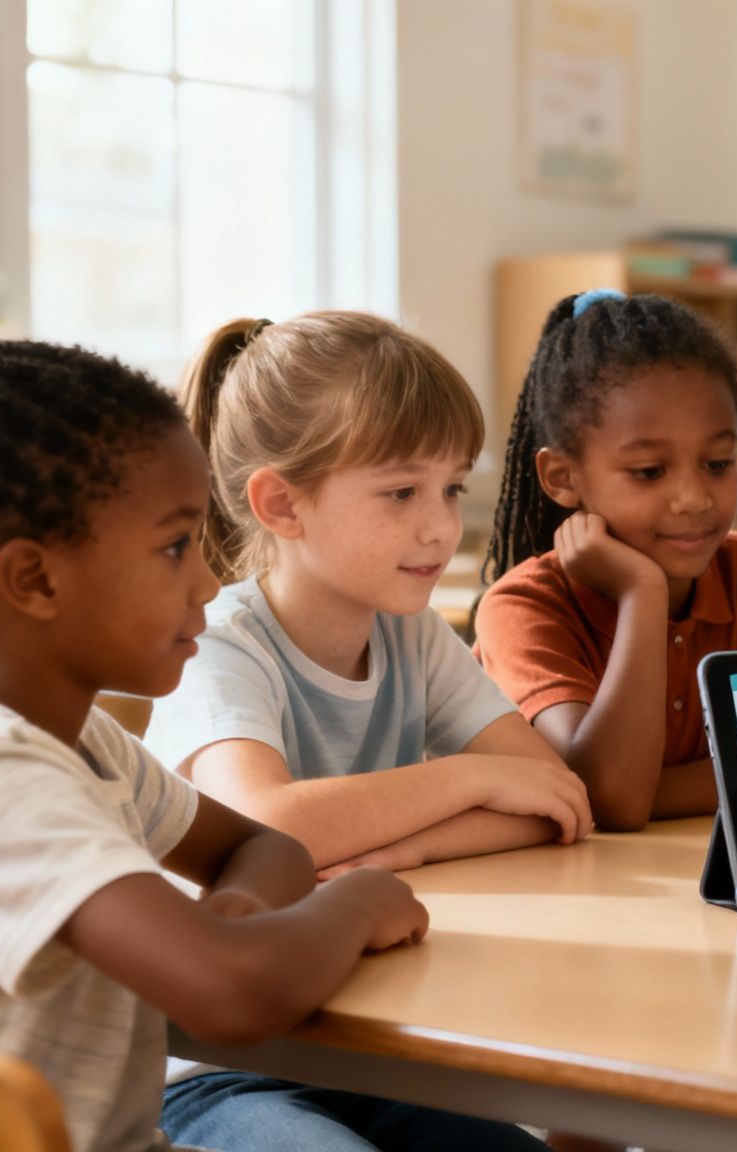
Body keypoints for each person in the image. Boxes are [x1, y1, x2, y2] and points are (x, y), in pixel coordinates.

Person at [0, 330, 430, 1152]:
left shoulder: (80, 740)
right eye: (173, 547)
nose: (206, 581)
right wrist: (355, 903)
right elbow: (232, 997)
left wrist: (229, 920)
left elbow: (268, 849)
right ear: (35, 579)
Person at [150, 311, 586, 1150]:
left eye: (452, 487)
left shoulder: (409, 632)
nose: (439, 526)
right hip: (216, 1068)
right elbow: (268, 825)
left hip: (381, 1052)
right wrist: (465, 779)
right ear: (282, 504)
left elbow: (552, 798)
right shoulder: (218, 643)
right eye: (400, 493)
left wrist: (403, 853)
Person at [476, 289, 737, 831]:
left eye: (717, 462)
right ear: (563, 479)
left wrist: (647, 790)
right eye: (649, 472)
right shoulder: (522, 607)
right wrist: (642, 592)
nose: (695, 499)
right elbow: (611, 798)